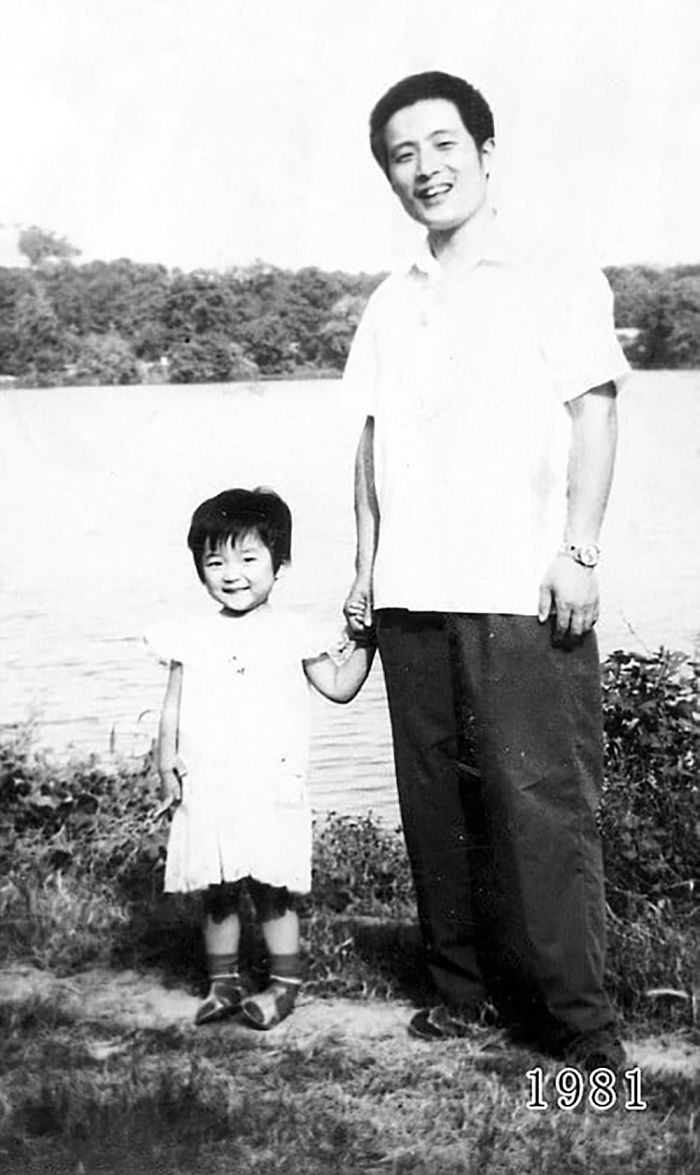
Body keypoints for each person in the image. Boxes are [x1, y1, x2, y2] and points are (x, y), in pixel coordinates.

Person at [343, 71, 630, 1071]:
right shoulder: (391, 299)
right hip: (412, 591)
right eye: (401, 154)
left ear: (486, 152)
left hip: (520, 589)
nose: (424, 168)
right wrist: (361, 573)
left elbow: (594, 411)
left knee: (541, 806)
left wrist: (579, 547)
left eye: (441, 144)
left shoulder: (552, 270)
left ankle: (583, 1035)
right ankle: (463, 996)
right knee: (438, 807)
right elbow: (370, 444)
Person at [148, 487, 374, 1029]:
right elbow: (172, 707)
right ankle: (222, 983)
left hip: (270, 784)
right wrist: (166, 764)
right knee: (218, 890)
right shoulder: (191, 635)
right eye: (216, 561)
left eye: (249, 559)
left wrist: (370, 640)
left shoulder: (297, 631)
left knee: (272, 888)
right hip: (211, 783)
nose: (232, 573)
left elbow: (340, 687)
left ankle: (284, 985)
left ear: (279, 563)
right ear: (200, 569)